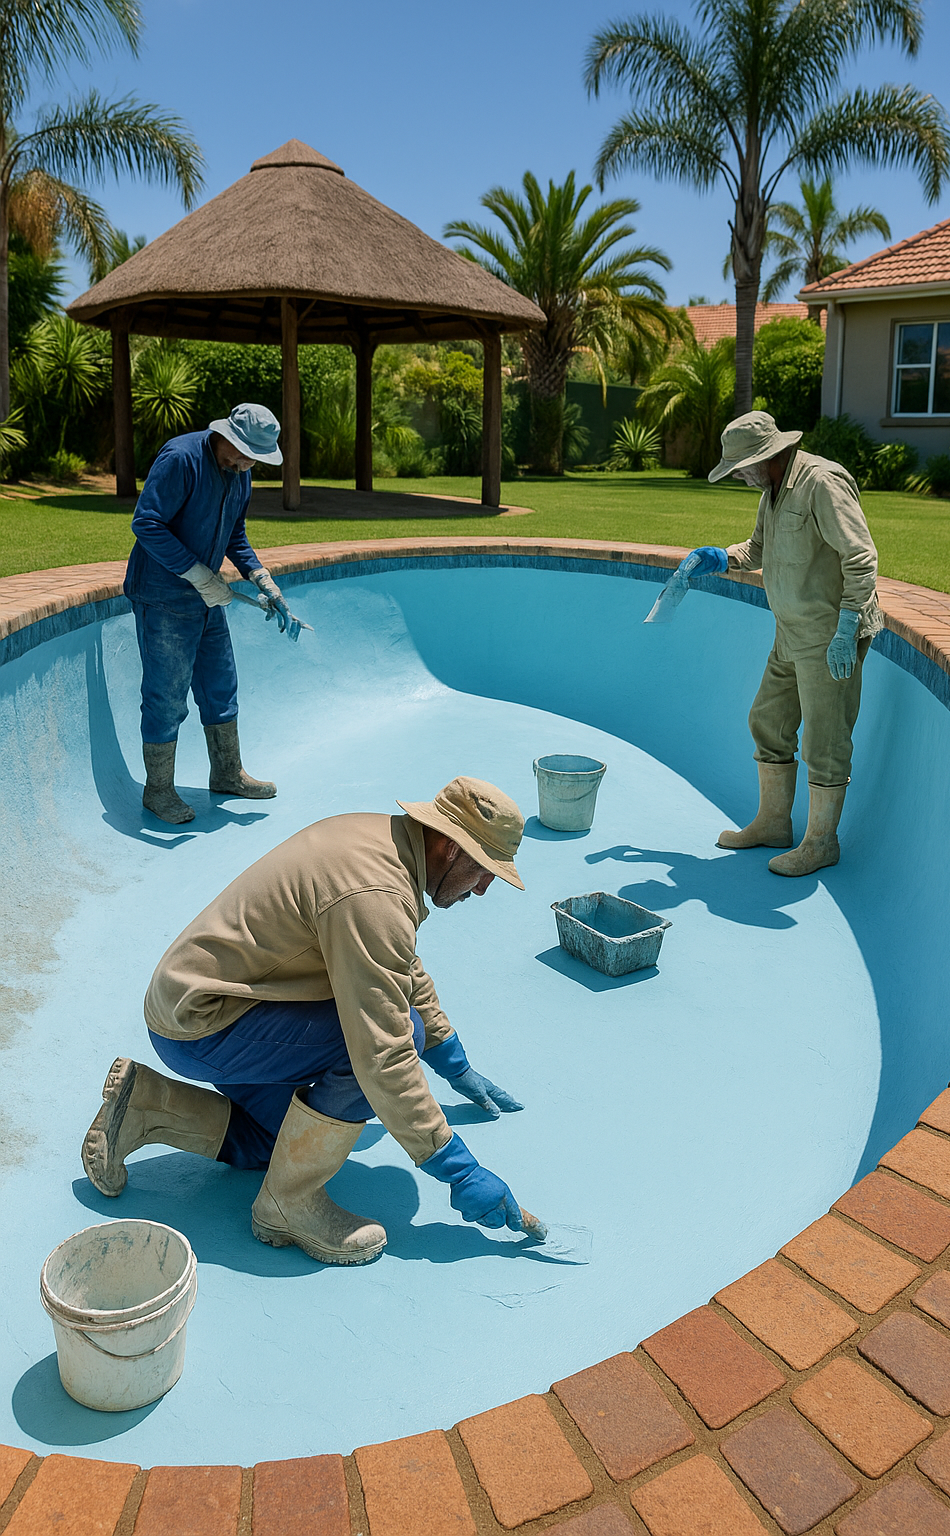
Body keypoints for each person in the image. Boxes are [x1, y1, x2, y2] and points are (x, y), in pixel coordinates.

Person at [81, 777, 531, 1266]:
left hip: (199, 1006)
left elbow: (396, 964)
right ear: (448, 845)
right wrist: (457, 1168)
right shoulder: (375, 892)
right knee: (388, 1041)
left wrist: (451, 1059)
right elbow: (382, 1053)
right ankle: (286, 1206)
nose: (484, 888)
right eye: (484, 870)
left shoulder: (381, 841)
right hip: (208, 1025)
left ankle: (146, 1106)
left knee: (287, 1143)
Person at [683, 411, 882, 876]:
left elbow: (861, 556)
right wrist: (718, 558)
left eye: (741, 468)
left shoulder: (822, 483)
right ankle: (774, 823)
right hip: (790, 633)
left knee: (825, 739)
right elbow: (758, 548)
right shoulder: (772, 489)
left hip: (831, 634)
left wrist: (847, 627)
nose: (739, 476)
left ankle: (821, 843)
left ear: (767, 456)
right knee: (767, 721)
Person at [124, 402, 297, 826]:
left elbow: (235, 533)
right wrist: (198, 573)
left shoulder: (241, 474)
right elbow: (146, 523)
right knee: (166, 696)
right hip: (163, 596)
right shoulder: (181, 458)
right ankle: (158, 790)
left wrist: (260, 576)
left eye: (252, 458)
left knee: (221, 686)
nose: (243, 463)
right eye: (239, 452)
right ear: (224, 434)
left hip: (205, 597)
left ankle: (226, 774)